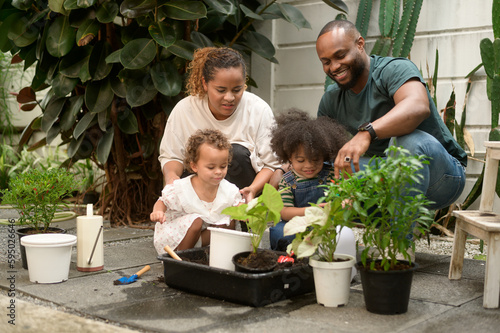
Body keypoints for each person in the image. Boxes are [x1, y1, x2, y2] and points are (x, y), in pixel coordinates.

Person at [316, 20, 467, 210]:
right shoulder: (331, 98)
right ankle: (334, 234)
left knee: (407, 143)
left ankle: (401, 236)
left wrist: (367, 133)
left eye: (340, 55)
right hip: (385, 173)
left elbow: (418, 105)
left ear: (360, 44)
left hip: (441, 176)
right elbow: (317, 151)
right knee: (320, 167)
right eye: (326, 62)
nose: (334, 66)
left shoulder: (393, 70)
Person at [158, 47, 281, 206]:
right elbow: (172, 156)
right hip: (196, 197)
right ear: (205, 83)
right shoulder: (185, 110)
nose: (229, 98)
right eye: (221, 90)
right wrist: (171, 177)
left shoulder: (258, 110)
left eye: (237, 90)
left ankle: (241, 223)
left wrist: (252, 189)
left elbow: (271, 164)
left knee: (235, 153)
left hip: (243, 196)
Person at [268, 109, 354, 254]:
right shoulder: (288, 181)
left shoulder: (330, 174)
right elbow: (284, 211)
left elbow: (346, 194)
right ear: (289, 157)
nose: (308, 166)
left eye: (315, 160)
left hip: (324, 224)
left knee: (340, 233)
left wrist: (345, 202)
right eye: (300, 160)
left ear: (324, 155)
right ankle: (290, 254)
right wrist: (310, 211)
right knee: (278, 231)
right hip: (297, 222)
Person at [151, 129, 243, 254]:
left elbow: (237, 205)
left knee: (229, 220)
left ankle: (220, 254)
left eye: (223, 166)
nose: (218, 171)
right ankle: (181, 259)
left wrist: (244, 211)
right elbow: (163, 201)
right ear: (194, 166)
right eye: (211, 167)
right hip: (178, 236)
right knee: (196, 221)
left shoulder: (228, 189)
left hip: (204, 235)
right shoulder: (181, 188)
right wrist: (158, 211)